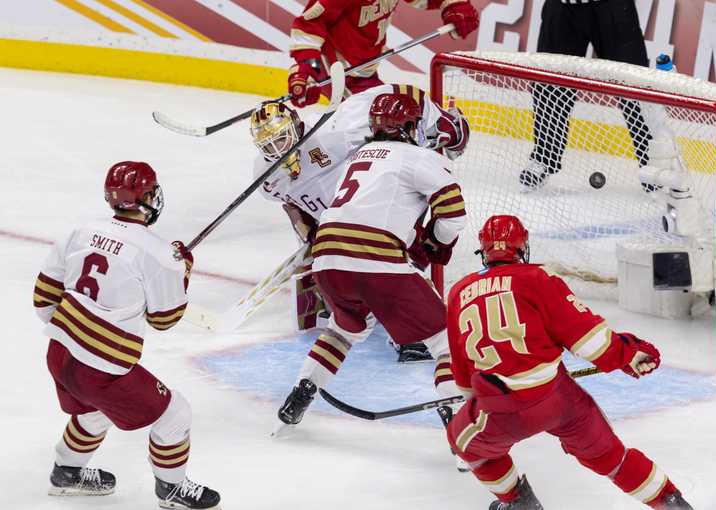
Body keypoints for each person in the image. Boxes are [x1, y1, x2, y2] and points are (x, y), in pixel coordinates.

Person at [444, 215, 693, 509]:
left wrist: (474, 404)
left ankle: (518, 503)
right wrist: (629, 353)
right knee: (609, 456)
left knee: (464, 445)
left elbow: (463, 376)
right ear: (522, 248)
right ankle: (670, 502)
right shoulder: (538, 278)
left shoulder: (459, 292)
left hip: (502, 409)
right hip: (558, 398)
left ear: (483, 250)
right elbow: (589, 340)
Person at [250, 85, 469, 416]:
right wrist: (435, 245)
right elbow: (453, 213)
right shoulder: (420, 156)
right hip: (376, 253)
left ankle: (302, 392)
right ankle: (455, 413)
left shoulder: (357, 156)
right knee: (446, 340)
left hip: (327, 253)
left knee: (344, 329)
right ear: (411, 128)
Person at [34, 161, 220, 509]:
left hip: (58, 354)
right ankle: (172, 490)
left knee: (94, 410)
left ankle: (66, 472)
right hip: (102, 368)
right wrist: (182, 273)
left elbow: (43, 296)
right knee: (175, 412)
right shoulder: (160, 254)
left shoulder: (82, 230)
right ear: (147, 197)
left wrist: (70, 336)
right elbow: (165, 320)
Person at [520, 0, 653, 189]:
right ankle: (544, 158)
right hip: (562, 8)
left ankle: (655, 165)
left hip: (612, 9)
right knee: (550, 83)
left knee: (635, 85)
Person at [288, 0, 480, 108]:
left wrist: (453, 4)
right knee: (383, 120)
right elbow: (308, 25)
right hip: (336, 72)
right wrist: (308, 69)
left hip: (364, 70)